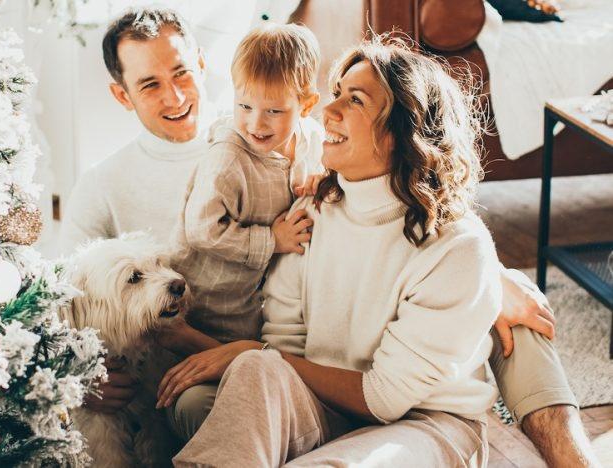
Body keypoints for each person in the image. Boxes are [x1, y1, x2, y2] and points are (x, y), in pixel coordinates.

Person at [60, 8, 595, 466]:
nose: (174, 94)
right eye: (149, 84)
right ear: (122, 95)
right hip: (257, 367)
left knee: (521, 327)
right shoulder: (105, 187)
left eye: (180, 71)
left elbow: (430, 226)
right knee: (240, 379)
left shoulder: (278, 136)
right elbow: (63, 310)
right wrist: (80, 376)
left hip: (393, 400)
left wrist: (492, 279)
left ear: (204, 65)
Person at [170, 23, 324, 346]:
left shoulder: (312, 138)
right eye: (245, 106)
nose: (256, 123)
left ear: (306, 106)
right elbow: (201, 229)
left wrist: (322, 179)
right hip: (210, 302)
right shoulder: (227, 158)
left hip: (260, 300)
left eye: (274, 111)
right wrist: (271, 240)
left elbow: (326, 168)